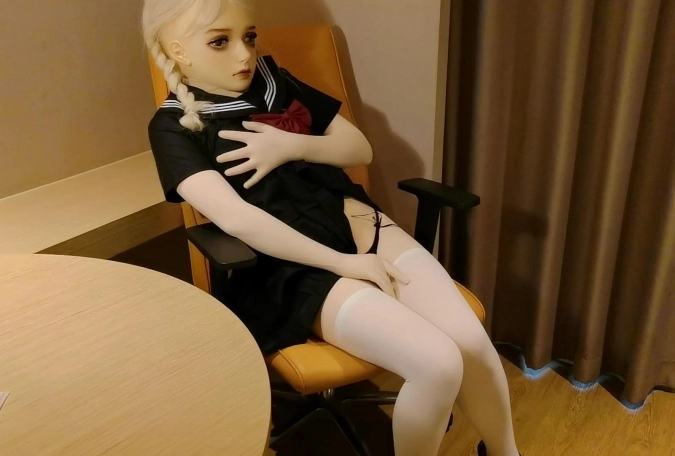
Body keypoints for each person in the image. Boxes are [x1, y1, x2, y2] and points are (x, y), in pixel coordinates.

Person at [142, 1, 521, 454]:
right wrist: (343, 263)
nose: (244, 54)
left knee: (472, 343)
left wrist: (291, 145)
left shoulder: (272, 81)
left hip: (359, 225)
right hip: (289, 266)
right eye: (220, 42)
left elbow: (358, 149)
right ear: (178, 51)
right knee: (438, 365)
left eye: (249, 36)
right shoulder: (172, 127)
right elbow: (237, 218)